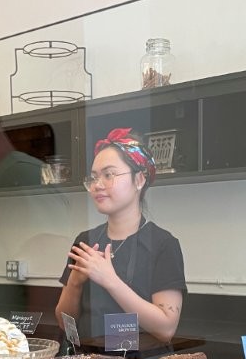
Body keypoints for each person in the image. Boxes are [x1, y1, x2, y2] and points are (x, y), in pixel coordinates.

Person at [55, 128, 186, 345]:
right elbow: (63, 321)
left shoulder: (163, 244)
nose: (97, 185)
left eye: (109, 175)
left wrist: (110, 280)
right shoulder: (85, 241)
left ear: (139, 180)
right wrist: (75, 284)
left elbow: (166, 328)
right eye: (94, 177)